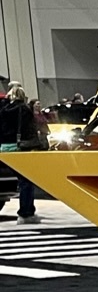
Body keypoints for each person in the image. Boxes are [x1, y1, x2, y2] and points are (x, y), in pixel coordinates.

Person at [0, 80, 47, 223]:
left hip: (5, 147)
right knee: (26, 180)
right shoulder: (24, 110)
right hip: (20, 146)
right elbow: (29, 129)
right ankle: (26, 213)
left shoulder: (3, 109)